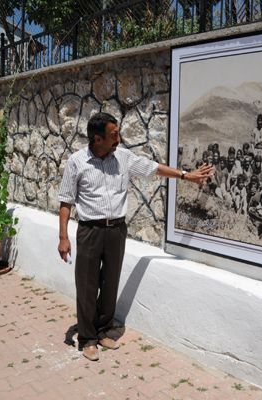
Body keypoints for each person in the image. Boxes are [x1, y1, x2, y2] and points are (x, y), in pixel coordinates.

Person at [57, 112, 213, 361]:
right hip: (90, 231)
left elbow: (153, 169)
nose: (119, 138)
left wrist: (185, 175)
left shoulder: (124, 157)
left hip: (117, 231)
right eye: (113, 135)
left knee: (110, 283)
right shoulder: (76, 162)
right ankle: (87, 338)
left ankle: (104, 330)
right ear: (98, 139)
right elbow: (65, 201)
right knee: (87, 286)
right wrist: (63, 237)